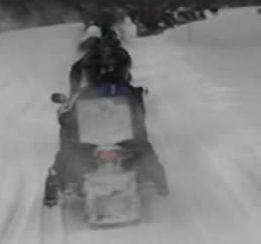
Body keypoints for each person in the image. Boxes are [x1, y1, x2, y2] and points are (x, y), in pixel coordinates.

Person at [44, 42, 168, 207]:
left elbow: (67, 119)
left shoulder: (83, 93)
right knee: (146, 150)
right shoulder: (132, 92)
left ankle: (57, 185)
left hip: (90, 142)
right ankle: (159, 183)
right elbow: (140, 117)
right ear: (124, 69)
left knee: (66, 152)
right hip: (125, 141)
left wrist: (68, 121)